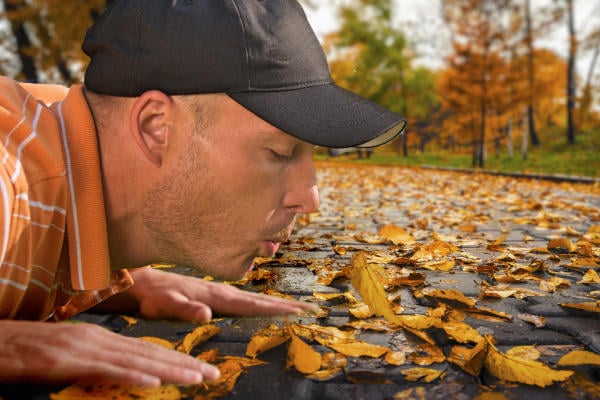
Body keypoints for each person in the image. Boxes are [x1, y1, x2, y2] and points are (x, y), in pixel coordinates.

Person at [0, 0, 405, 388]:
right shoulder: (10, 180)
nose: (309, 197)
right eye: (279, 152)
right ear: (155, 126)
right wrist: (11, 347)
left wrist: (111, 272)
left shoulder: (52, 130)